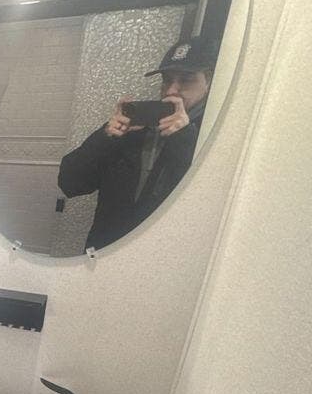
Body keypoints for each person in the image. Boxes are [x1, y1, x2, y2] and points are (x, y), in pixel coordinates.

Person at [57, 36, 218, 251]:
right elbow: (69, 182)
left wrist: (184, 137)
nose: (171, 90)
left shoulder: (214, 134)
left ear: (208, 81)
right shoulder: (132, 128)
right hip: (102, 255)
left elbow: (210, 203)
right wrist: (106, 137)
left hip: (159, 259)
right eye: (167, 80)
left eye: (186, 80)